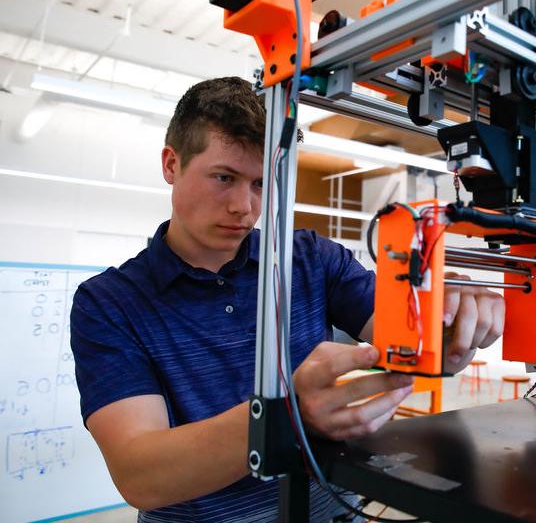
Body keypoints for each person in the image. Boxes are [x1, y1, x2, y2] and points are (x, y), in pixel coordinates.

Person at [70, 77, 505, 522]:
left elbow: (414, 344)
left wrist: (451, 320)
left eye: (262, 183)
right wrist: (287, 417)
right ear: (171, 163)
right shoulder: (109, 303)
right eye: (225, 177)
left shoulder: (311, 259)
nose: (245, 206)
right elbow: (142, 476)